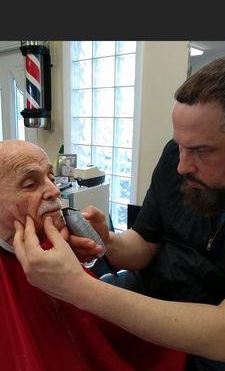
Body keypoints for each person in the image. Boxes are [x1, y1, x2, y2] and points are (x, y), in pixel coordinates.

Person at [13, 57, 225, 371]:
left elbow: (220, 335)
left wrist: (80, 288)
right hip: (150, 290)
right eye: (179, 145)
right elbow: (144, 245)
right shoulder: (175, 159)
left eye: (201, 151)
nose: (182, 166)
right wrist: (108, 241)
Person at [0, 139, 186, 371]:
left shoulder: (54, 245)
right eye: (30, 184)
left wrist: (77, 280)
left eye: (50, 177)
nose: (55, 189)